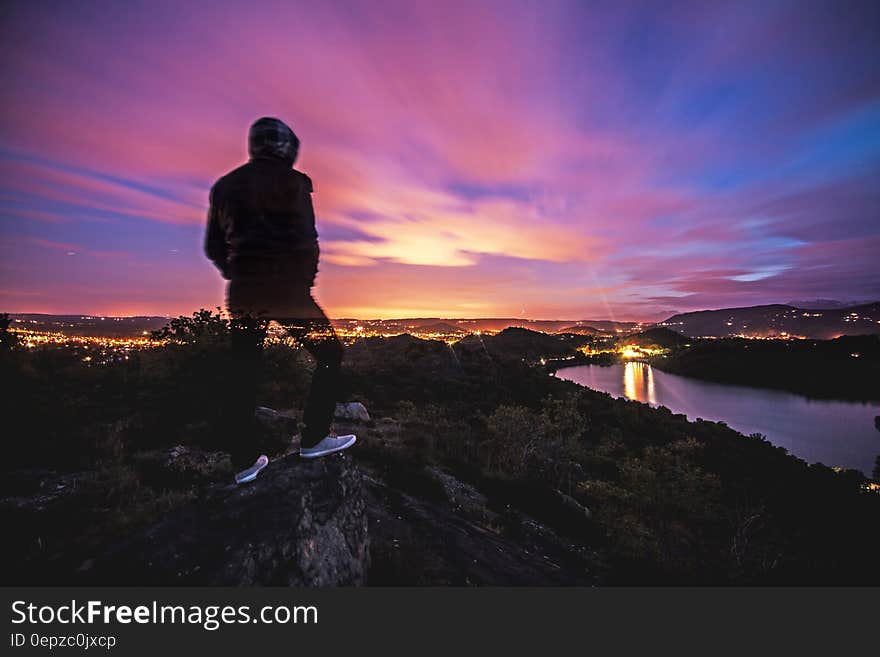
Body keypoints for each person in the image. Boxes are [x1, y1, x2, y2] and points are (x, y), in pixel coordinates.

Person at [204, 116, 356, 484]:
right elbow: (307, 240)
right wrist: (302, 282)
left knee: (243, 372)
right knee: (330, 354)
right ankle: (315, 437)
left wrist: (236, 272)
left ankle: (243, 464)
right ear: (286, 147)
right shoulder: (293, 183)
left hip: (244, 295)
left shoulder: (225, 186)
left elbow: (213, 247)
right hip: (286, 292)